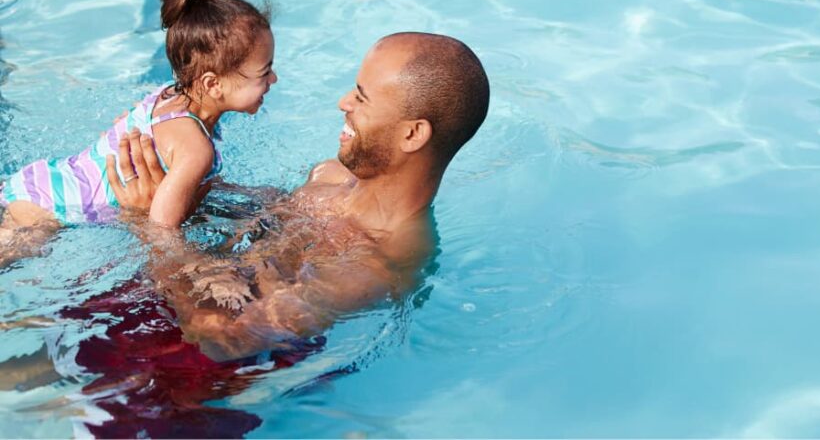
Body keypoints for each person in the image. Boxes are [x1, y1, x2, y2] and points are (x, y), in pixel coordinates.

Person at [0, 32, 488, 438]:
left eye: (360, 96)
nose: (343, 103)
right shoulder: (331, 176)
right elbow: (244, 216)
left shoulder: (381, 262)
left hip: (187, 382)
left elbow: (223, 340)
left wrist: (147, 224)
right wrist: (174, 178)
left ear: (412, 134)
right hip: (165, 295)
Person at [0, 0, 277, 265]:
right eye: (264, 72)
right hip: (49, 208)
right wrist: (206, 270)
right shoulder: (196, 150)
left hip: (48, 178)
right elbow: (160, 230)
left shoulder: (169, 96)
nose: (273, 78)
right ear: (212, 85)